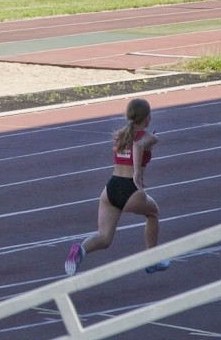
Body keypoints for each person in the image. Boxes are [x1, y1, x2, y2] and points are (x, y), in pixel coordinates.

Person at [64, 98, 169, 276]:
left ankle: (80, 250)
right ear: (148, 118)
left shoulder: (121, 135)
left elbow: (131, 146)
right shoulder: (149, 138)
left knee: (104, 237)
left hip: (111, 188)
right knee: (153, 214)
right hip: (131, 189)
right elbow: (138, 145)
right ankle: (151, 260)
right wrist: (137, 173)